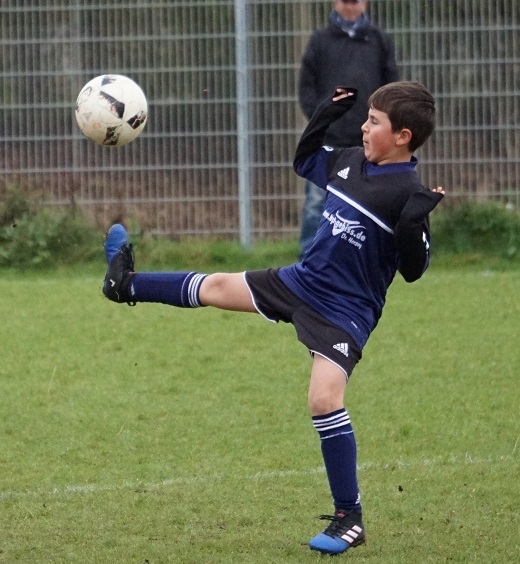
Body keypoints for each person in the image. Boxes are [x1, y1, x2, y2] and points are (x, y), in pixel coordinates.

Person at [102, 81, 442, 555]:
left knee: (323, 399)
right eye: (365, 118)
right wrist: (322, 116)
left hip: (344, 312)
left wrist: (412, 223)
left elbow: (413, 270)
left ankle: (349, 517)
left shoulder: (408, 193)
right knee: (217, 287)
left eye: (374, 122)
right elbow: (305, 161)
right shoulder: (349, 161)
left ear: (403, 136)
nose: (364, 128)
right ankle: (125, 284)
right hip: (302, 282)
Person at [297, 0, 399, 258]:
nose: (350, 7)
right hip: (329, 139)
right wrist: (321, 119)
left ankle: (367, 257)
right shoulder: (320, 41)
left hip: (370, 143)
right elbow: (306, 87)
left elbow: (392, 87)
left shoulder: (379, 41)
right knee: (316, 203)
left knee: (371, 201)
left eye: (356, 1)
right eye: (346, 1)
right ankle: (309, 258)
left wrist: (380, 126)